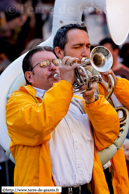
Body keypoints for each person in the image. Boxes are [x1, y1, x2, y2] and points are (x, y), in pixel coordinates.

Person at [6, 45, 120, 194]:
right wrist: (65, 84)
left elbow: (109, 135)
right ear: (29, 77)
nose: (53, 67)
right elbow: (40, 123)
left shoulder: (78, 99)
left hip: (87, 189)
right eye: (45, 64)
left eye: (55, 62)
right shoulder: (17, 102)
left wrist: (92, 100)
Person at [53, 23, 129, 194]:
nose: (86, 53)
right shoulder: (52, 88)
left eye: (88, 46)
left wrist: (114, 82)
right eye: (77, 47)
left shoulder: (97, 81)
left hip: (108, 170)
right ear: (59, 52)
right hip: (79, 179)